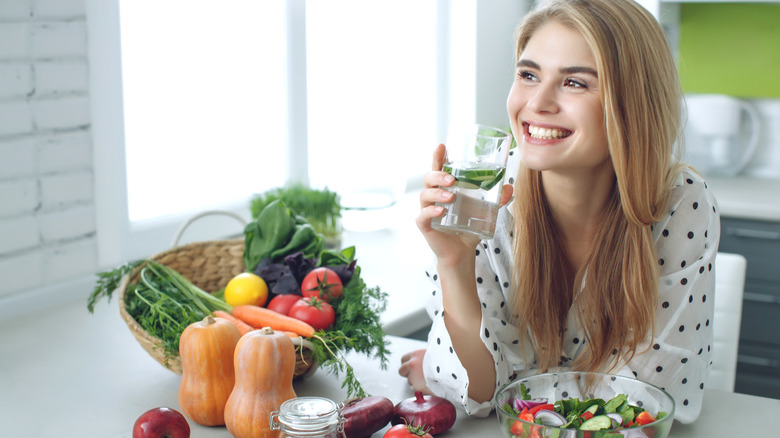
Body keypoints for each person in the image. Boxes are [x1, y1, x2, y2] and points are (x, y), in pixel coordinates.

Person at [399, 0, 720, 424]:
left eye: (575, 83)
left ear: (633, 104)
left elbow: (642, 407)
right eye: (528, 75)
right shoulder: (489, 197)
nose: (538, 102)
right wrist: (453, 262)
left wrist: (506, 378)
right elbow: (477, 395)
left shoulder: (680, 204)